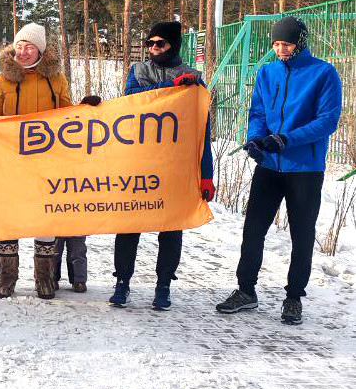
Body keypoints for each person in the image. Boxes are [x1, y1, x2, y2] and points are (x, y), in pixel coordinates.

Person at [216, 16, 342, 325]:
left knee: (301, 234)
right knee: (253, 229)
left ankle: (294, 297)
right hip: (270, 166)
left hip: (304, 167)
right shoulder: (267, 72)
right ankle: (246, 291)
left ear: (299, 42)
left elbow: (327, 121)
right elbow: (257, 111)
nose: (280, 49)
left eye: (285, 43)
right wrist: (255, 140)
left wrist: (285, 140)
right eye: (275, 44)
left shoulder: (323, 73)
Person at [109, 20, 214, 311]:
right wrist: (171, 87)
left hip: (175, 165)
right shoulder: (138, 71)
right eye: (150, 43)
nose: (154, 49)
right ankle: (123, 282)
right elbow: (132, 102)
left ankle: (163, 285)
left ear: (174, 45)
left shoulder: (193, 77)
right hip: (139, 162)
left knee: (171, 227)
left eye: (161, 43)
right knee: (129, 223)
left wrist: (207, 175)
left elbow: (202, 128)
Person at [0, 23, 77, 299]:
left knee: (44, 218)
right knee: (10, 217)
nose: (23, 51)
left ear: (40, 50)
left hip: (46, 162)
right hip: (10, 161)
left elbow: (67, 114)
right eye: (19, 45)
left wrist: (86, 111)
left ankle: (44, 277)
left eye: (29, 46)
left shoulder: (56, 80)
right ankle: (7, 276)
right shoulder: (3, 80)